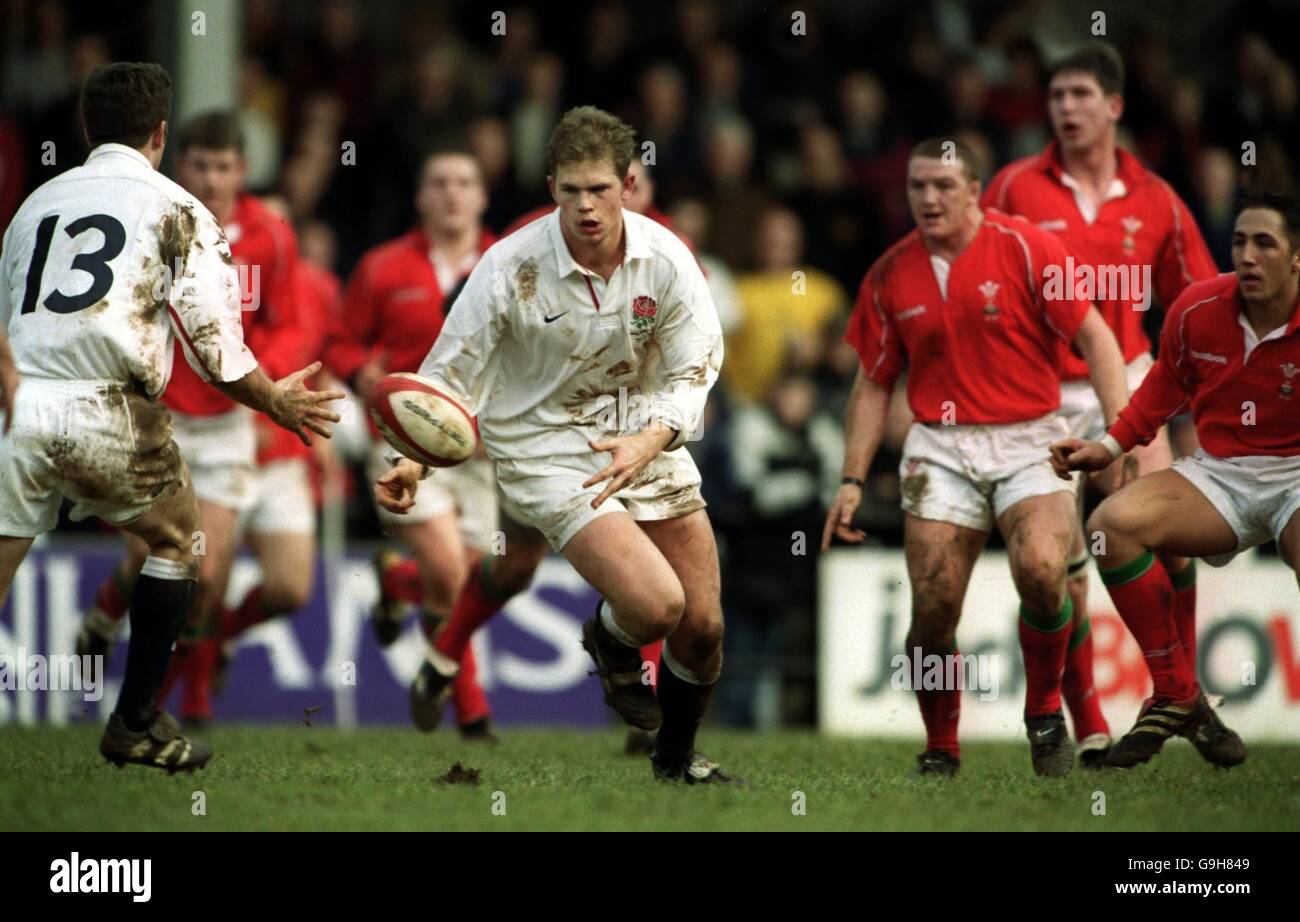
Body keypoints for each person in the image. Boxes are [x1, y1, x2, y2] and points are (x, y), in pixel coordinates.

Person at [375, 106, 738, 784]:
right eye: (570, 191)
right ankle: (611, 640)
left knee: (705, 628)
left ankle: (675, 762)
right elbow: (451, 371)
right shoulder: (509, 265)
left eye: (599, 189)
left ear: (628, 183)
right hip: (541, 445)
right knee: (658, 607)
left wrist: (649, 439)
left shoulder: (666, 260)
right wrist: (411, 459)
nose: (586, 206)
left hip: (641, 429)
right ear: (551, 188)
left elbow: (697, 366)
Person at [0, 62, 340, 770]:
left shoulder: (34, 206)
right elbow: (218, 352)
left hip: (21, 404)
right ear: (160, 135)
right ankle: (135, 721)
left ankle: (117, 652)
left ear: (87, 129)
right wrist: (277, 399)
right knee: (181, 543)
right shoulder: (178, 209)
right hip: (108, 407)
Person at [822, 138, 1130, 778]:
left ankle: (1044, 715)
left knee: (1045, 572)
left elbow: (1098, 339)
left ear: (974, 190)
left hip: (1031, 437)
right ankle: (942, 747)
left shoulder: (1028, 248)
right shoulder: (889, 273)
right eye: (917, 186)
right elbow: (874, 381)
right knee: (932, 607)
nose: (928, 199)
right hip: (941, 446)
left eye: (942, 185)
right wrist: (851, 479)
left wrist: (1118, 436)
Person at [982, 41, 1220, 765]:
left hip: (1134, 383)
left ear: (1114, 106)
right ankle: (1087, 719)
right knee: (1057, 566)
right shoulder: (1015, 188)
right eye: (1057, 97)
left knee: (1168, 537)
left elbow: (1204, 304)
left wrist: (1202, 408)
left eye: (1082, 95)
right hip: (1041, 394)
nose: (1066, 108)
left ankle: (1180, 697)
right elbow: (974, 278)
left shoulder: (1157, 199)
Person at [75, 111, 311, 727]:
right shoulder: (157, 217)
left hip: (228, 422)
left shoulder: (272, 235)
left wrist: (267, 388)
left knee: (207, 571)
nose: (211, 177)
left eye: (223, 166)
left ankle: (196, 702)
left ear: (243, 170)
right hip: (159, 418)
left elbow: (286, 321)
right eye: (201, 165)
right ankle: (105, 615)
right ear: (183, 164)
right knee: (145, 559)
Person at [1049, 192, 1300, 769]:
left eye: (1266, 243)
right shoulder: (1197, 308)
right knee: (1110, 527)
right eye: (1239, 241)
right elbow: (1162, 388)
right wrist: (1106, 447)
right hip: (1223, 474)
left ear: (1296, 259)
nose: (1248, 256)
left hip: (1294, 476)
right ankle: (1176, 691)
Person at [326, 149, 500, 736]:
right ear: (421, 197)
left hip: (485, 449)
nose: (452, 193)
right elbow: (342, 342)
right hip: (408, 448)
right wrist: (362, 376)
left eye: (464, 182)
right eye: (439, 182)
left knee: (473, 583)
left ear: (482, 196)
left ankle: (396, 581)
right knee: (451, 577)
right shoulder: (383, 267)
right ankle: (472, 715)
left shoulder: (511, 264)